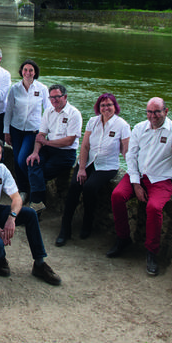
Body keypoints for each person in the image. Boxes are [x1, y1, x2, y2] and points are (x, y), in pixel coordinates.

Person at [107, 97, 172, 276]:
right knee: (117, 195)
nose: (153, 116)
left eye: (157, 112)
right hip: (138, 175)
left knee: (154, 208)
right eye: (150, 112)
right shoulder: (139, 128)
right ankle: (123, 238)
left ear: (166, 111)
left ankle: (152, 252)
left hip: (161, 179)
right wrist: (136, 184)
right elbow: (131, 156)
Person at [0, 135, 61, 285]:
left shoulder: (2, 169)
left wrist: (11, 218)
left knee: (30, 214)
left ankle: (39, 263)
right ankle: (0, 258)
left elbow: (17, 198)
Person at [57, 93, 130, 247]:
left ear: (115, 106)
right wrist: (82, 168)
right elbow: (85, 146)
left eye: (109, 105)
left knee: (90, 187)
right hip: (89, 162)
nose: (106, 108)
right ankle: (65, 229)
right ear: (99, 107)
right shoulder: (93, 122)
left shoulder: (122, 125)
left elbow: (126, 151)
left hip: (107, 166)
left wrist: (135, 170)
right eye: (103, 105)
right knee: (75, 186)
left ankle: (87, 223)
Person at [26, 84, 82, 215]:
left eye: (57, 97)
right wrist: (35, 153)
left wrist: (47, 142)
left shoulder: (74, 114)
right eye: (51, 98)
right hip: (49, 148)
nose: (54, 100)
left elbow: (69, 140)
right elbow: (41, 135)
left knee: (41, 173)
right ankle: (37, 206)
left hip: (66, 153)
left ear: (65, 96)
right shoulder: (48, 111)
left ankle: (35, 208)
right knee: (32, 162)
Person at [3, 60, 50, 200]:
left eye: (31, 70)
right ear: (21, 71)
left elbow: (47, 110)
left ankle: (34, 184)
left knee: (23, 159)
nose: (28, 73)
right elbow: (9, 111)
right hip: (16, 129)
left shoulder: (42, 89)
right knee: (17, 161)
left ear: (35, 72)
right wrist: (6, 131)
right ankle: (23, 190)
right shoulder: (15, 89)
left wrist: (46, 132)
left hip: (33, 130)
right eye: (25, 70)